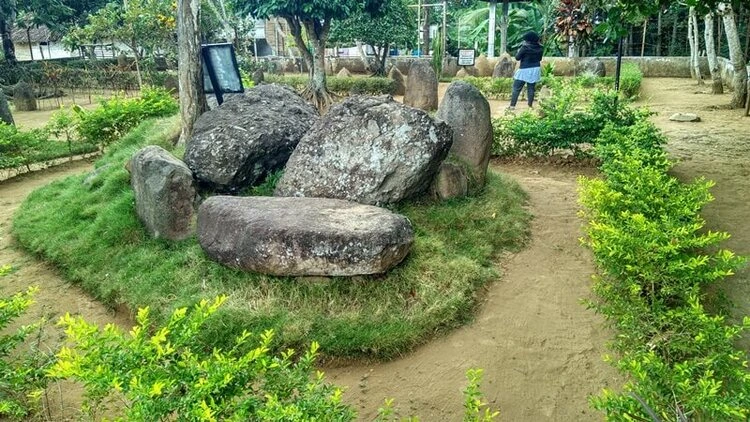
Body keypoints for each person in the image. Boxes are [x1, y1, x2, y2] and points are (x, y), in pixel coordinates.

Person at [508, 31, 543, 110]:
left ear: (528, 40)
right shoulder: (540, 47)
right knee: (531, 88)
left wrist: (518, 51)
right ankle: (530, 106)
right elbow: (540, 59)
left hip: (525, 69)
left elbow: (517, 57)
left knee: (516, 88)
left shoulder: (525, 47)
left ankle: (512, 106)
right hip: (535, 69)